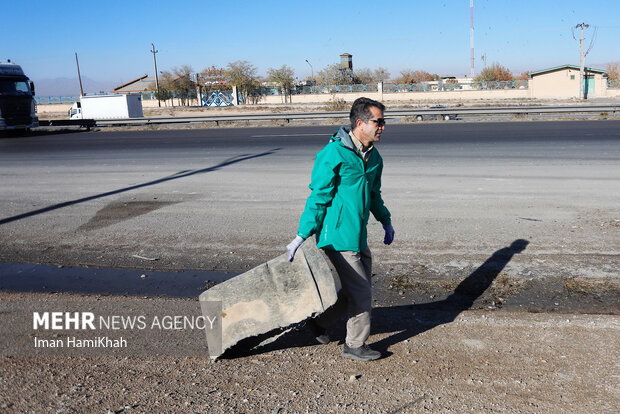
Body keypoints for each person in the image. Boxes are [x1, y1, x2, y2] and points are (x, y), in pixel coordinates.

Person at [286, 97, 394, 362]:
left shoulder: (373, 157)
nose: (383, 127)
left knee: (355, 290)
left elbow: (374, 195)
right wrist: (302, 234)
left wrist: (385, 220)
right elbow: (318, 196)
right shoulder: (333, 154)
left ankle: (318, 324)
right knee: (362, 293)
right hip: (336, 236)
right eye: (378, 122)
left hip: (358, 235)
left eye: (384, 122)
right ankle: (354, 345)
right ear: (360, 123)